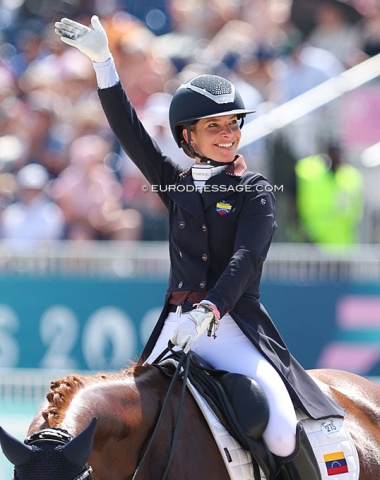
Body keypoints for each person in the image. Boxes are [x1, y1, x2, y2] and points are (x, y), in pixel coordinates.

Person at [55, 15, 344, 479]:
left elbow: (245, 262)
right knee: (131, 419)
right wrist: (104, 64)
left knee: (281, 427)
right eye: (215, 126)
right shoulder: (176, 185)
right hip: (174, 327)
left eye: (233, 124)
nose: (229, 134)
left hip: (230, 328)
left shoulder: (255, 190)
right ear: (188, 137)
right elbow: (132, 135)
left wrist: (208, 311)